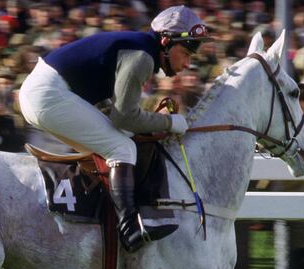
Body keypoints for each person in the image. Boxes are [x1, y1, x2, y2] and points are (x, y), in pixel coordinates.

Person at [18, 5, 206, 253]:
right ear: (166, 42)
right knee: (122, 146)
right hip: (48, 95)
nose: (188, 63)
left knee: (122, 141)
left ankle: (104, 216)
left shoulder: (140, 48)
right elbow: (124, 116)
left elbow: (110, 107)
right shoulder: (142, 57)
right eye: (187, 51)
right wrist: (171, 122)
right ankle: (129, 229)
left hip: (47, 92)